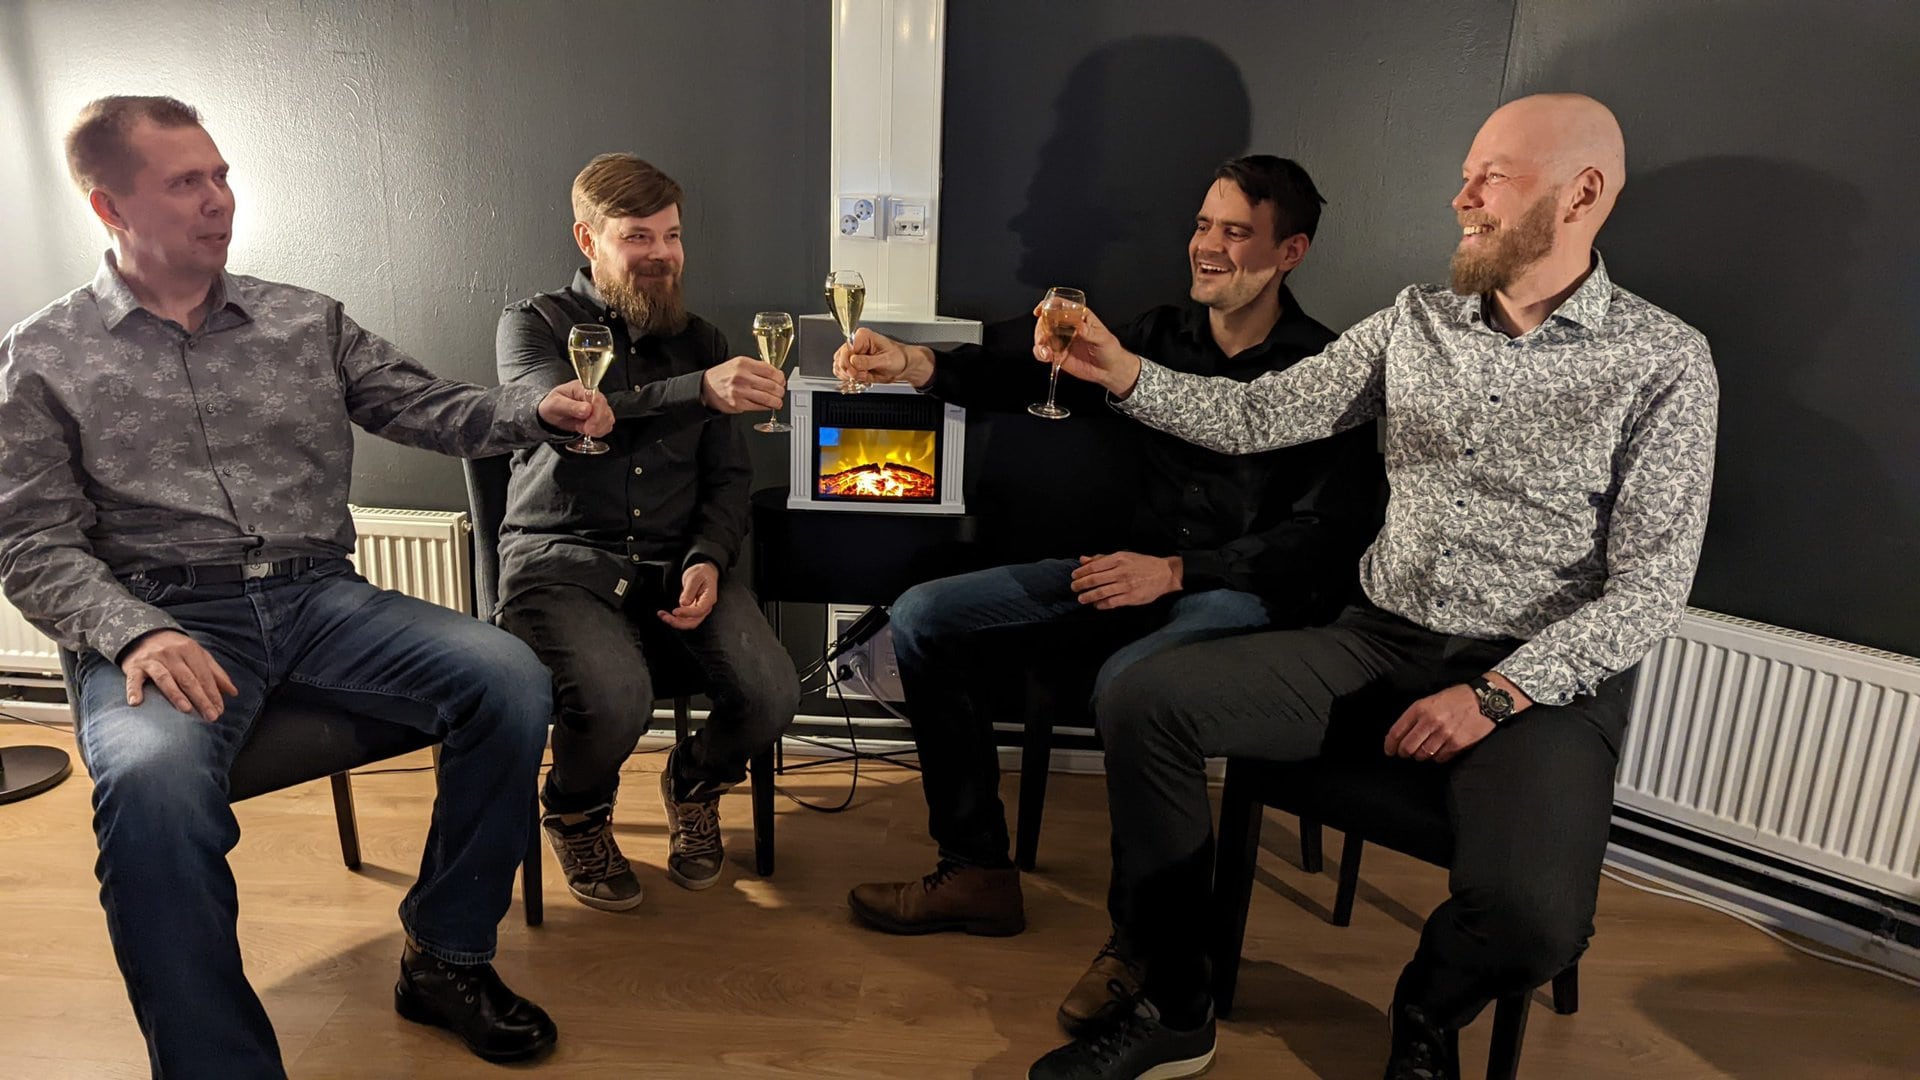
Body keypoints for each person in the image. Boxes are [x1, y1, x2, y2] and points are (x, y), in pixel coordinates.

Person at [1022, 93, 1719, 1080]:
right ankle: (1177, 1002)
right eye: (1466, 175)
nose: (1462, 197)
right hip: (1380, 639)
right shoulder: (1413, 322)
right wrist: (1122, 370)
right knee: (1142, 697)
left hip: (1533, 683)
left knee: (1533, 921)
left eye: (1492, 177)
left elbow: (1649, 591)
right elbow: (1258, 416)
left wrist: (1495, 695)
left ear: (1581, 193)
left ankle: (1426, 1018)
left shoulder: (1663, 360)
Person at [0, 97, 615, 1075]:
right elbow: (30, 539)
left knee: (507, 677)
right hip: (162, 618)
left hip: (319, 598)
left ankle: (447, 956)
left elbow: (428, 407)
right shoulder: (42, 354)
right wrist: (132, 631)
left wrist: (537, 409)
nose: (218, 199)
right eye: (185, 182)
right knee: (151, 789)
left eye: (221, 175)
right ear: (109, 207)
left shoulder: (303, 320)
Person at [833, 157, 1385, 1025]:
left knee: (1134, 684)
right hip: (1129, 570)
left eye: (1236, 232)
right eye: (1202, 225)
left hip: (1242, 599)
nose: (1207, 246)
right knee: (924, 615)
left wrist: (1178, 572)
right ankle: (976, 871)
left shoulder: (1325, 367)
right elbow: (1034, 371)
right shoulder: (1159, 334)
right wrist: (918, 363)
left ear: (1291, 252)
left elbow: (1323, 540)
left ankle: (1143, 944)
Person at [494, 153, 800, 910]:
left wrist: (708, 558)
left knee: (772, 694)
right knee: (615, 698)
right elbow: (573, 415)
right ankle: (575, 810)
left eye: (672, 235)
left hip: (673, 562)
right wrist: (698, 392)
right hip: (560, 562)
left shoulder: (703, 340)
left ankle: (694, 783)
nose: (661, 254)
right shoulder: (532, 325)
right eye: (638, 236)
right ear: (588, 239)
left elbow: (727, 479)